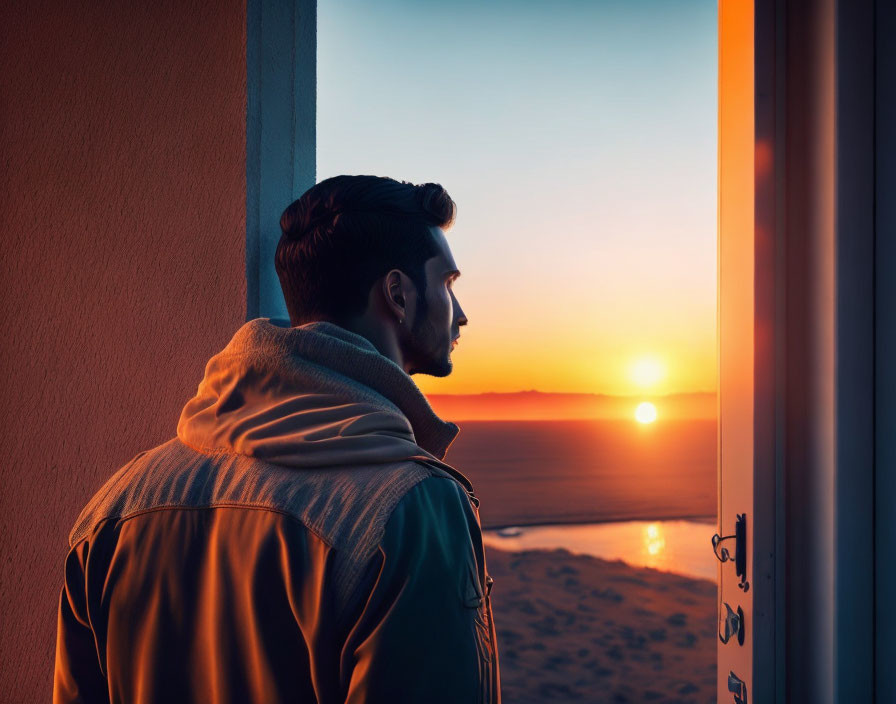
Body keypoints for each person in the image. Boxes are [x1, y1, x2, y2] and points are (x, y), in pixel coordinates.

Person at [53, 175, 500, 703]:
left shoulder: (115, 506)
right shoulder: (409, 509)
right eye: (448, 282)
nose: (461, 312)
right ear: (398, 294)